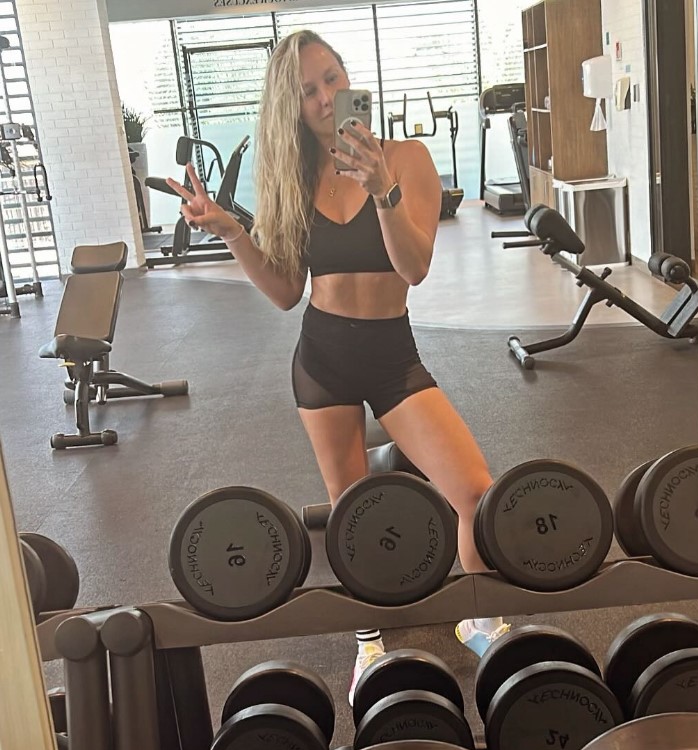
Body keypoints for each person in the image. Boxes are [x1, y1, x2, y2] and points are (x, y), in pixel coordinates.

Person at [166, 30, 508, 703]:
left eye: (330, 78)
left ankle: (480, 616)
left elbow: (413, 266)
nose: (324, 98)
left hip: (392, 356)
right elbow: (286, 291)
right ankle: (369, 639)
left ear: (348, 78)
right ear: (291, 108)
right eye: (307, 92)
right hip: (321, 358)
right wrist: (234, 231)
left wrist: (381, 188)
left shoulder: (406, 158)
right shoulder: (292, 177)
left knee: (472, 491)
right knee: (354, 513)